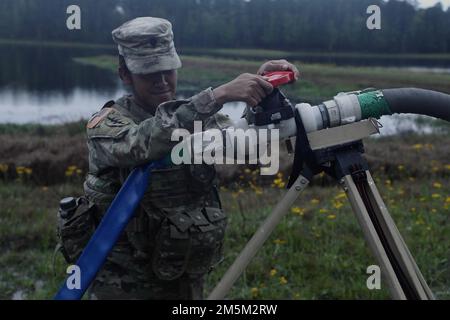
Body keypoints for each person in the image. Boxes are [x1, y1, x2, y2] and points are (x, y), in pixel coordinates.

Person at [83, 16, 299, 299]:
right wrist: (217, 95)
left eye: (167, 70)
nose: (162, 81)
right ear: (125, 74)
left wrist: (263, 92)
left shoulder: (195, 118)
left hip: (184, 274)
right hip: (126, 286)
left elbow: (246, 146)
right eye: (149, 73)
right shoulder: (108, 124)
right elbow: (141, 144)